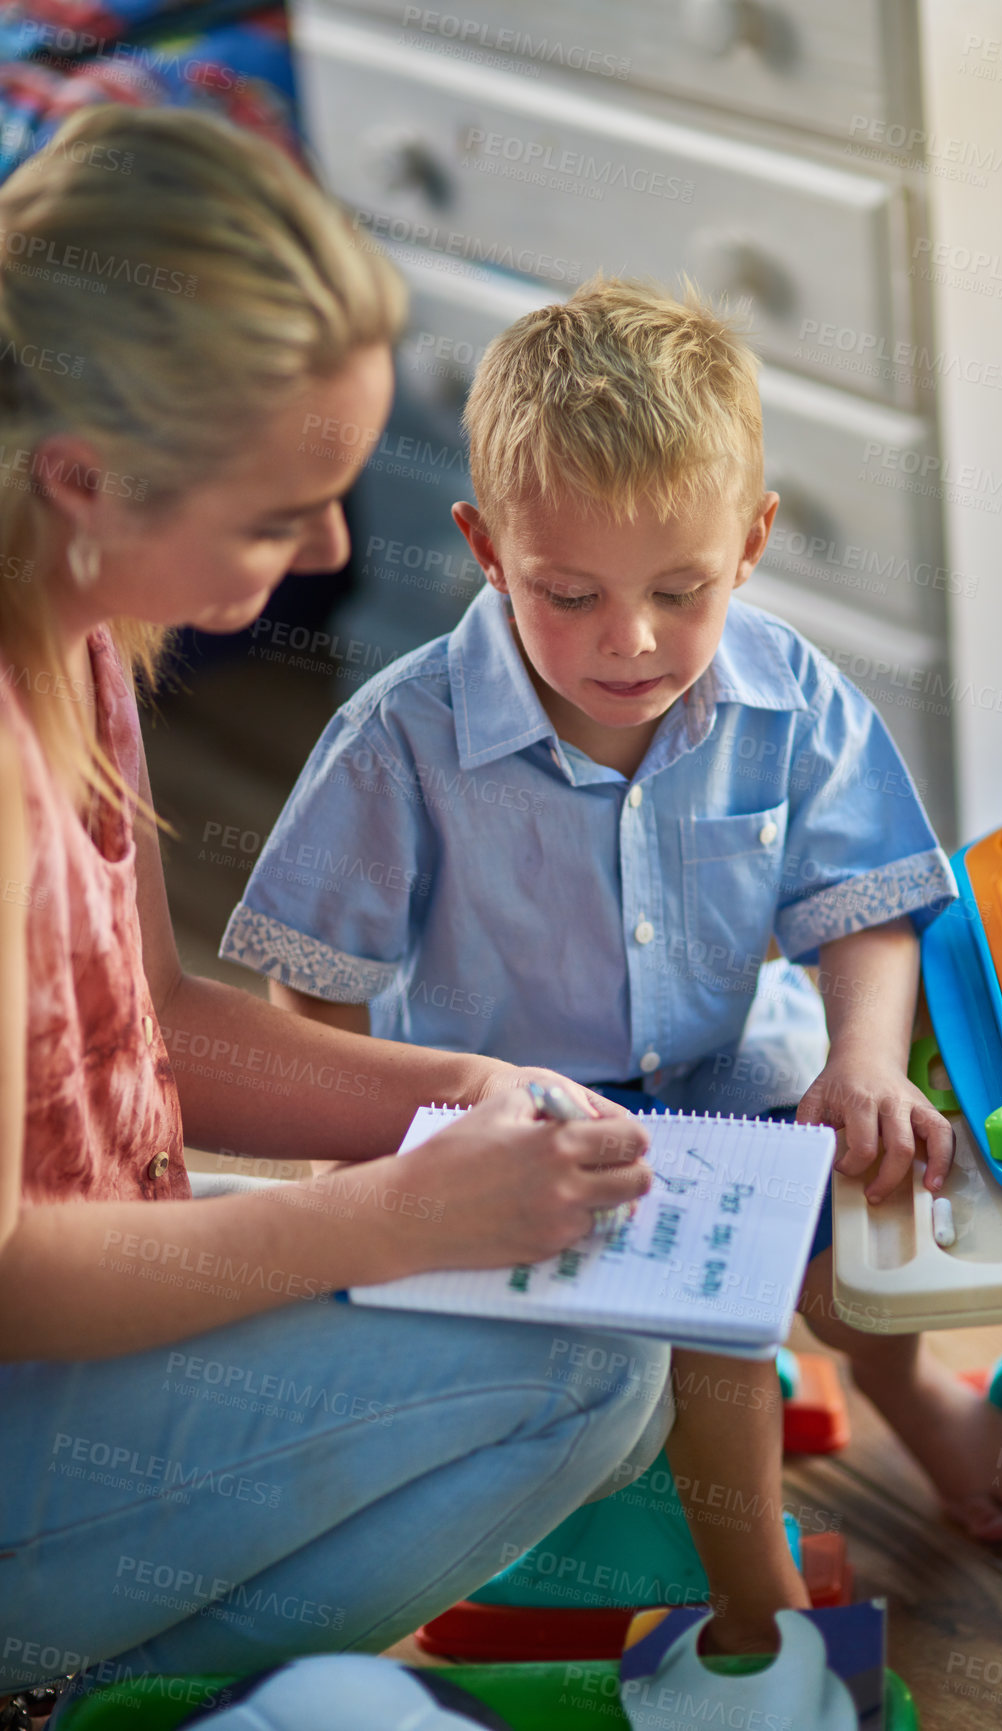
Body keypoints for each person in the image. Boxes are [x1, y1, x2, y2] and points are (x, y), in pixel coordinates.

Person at [222, 276, 1002, 1654]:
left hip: (744, 1067)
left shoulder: (788, 692)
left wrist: (856, 1062)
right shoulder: (399, 740)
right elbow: (315, 973)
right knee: (714, 1336)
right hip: (525, 1117)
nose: (633, 641)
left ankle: (899, 1382)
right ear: (486, 549)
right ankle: (754, 1615)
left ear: (755, 542)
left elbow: (866, 904)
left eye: (682, 589)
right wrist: (349, 1179)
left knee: (874, 1220)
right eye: (571, 593)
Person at [0, 111, 673, 1709]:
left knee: (608, 1337)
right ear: (82, 474)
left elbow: (141, 1022)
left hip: (71, 1314)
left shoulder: (72, 614)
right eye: (271, 515)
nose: (334, 550)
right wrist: (393, 1220)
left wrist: (453, 1097)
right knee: (583, 1361)